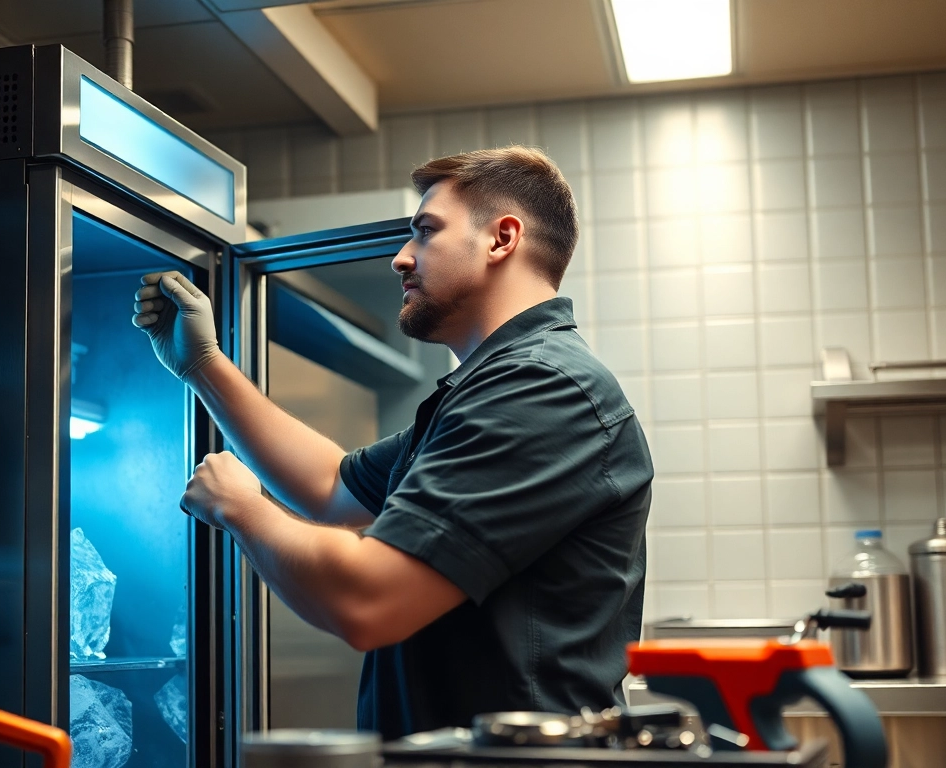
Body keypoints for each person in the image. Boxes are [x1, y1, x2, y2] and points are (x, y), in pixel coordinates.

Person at [131, 145, 652, 740]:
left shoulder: (542, 389)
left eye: (426, 231)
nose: (401, 258)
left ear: (502, 239)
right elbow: (331, 485)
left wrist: (240, 508)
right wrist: (203, 363)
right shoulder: (486, 390)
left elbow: (367, 601)